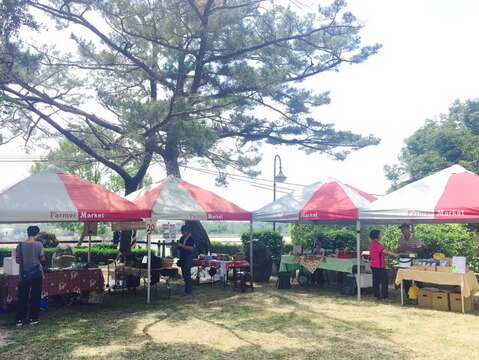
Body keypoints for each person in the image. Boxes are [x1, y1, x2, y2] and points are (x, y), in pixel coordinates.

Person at [15, 226, 45, 326]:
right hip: (37, 274)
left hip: (24, 274)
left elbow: (17, 260)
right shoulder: (39, 245)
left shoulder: (20, 245)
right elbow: (42, 259)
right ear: (37, 234)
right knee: (35, 296)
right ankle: (33, 318)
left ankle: (19, 319)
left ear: (28, 233)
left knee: (22, 296)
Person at [369, 230, 399, 300]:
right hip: (379, 266)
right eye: (380, 234)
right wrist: (396, 254)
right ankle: (384, 296)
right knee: (384, 280)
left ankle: (377, 295)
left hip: (373, 265)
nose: (381, 235)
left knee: (376, 280)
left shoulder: (372, 244)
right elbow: (386, 251)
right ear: (377, 236)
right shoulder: (377, 244)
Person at [172, 225, 196, 296]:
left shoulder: (191, 238)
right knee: (184, 273)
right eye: (182, 231)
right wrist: (176, 245)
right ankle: (187, 289)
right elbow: (180, 247)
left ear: (188, 231)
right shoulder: (182, 238)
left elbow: (191, 248)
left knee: (187, 273)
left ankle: (188, 290)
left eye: (184, 231)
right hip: (182, 256)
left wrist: (181, 245)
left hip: (188, 257)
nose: (182, 233)